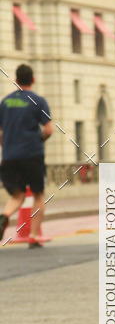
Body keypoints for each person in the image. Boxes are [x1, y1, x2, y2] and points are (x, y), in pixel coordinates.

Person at [0, 64, 53, 246]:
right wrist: (38, 140)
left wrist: (7, 144)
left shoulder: (5, 102)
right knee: (38, 195)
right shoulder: (38, 101)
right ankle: (34, 236)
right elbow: (48, 130)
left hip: (9, 156)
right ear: (33, 80)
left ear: (16, 80)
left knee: (17, 195)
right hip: (32, 154)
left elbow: (0, 133)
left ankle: (4, 216)